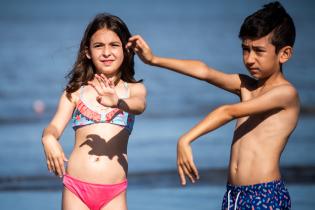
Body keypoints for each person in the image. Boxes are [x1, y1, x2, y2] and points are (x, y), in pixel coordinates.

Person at [127, 1, 298, 209]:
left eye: (258, 51)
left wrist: (186, 139)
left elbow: (228, 112)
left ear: (284, 54)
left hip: (265, 194)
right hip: (233, 195)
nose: (250, 59)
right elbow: (204, 71)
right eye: (245, 49)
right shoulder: (248, 86)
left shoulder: (285, 94)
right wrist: (154, 60)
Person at [41, 13, 146, 210]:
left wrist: (117, 102)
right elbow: (54, 126)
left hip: (114, 192)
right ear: (87, 52)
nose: (106, 52)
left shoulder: (133, 89)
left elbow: (139, 106)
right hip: (76, 188)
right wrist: (48, 138)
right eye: (98, 46)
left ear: (126, 50)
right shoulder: (74, 92)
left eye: (114, 45)